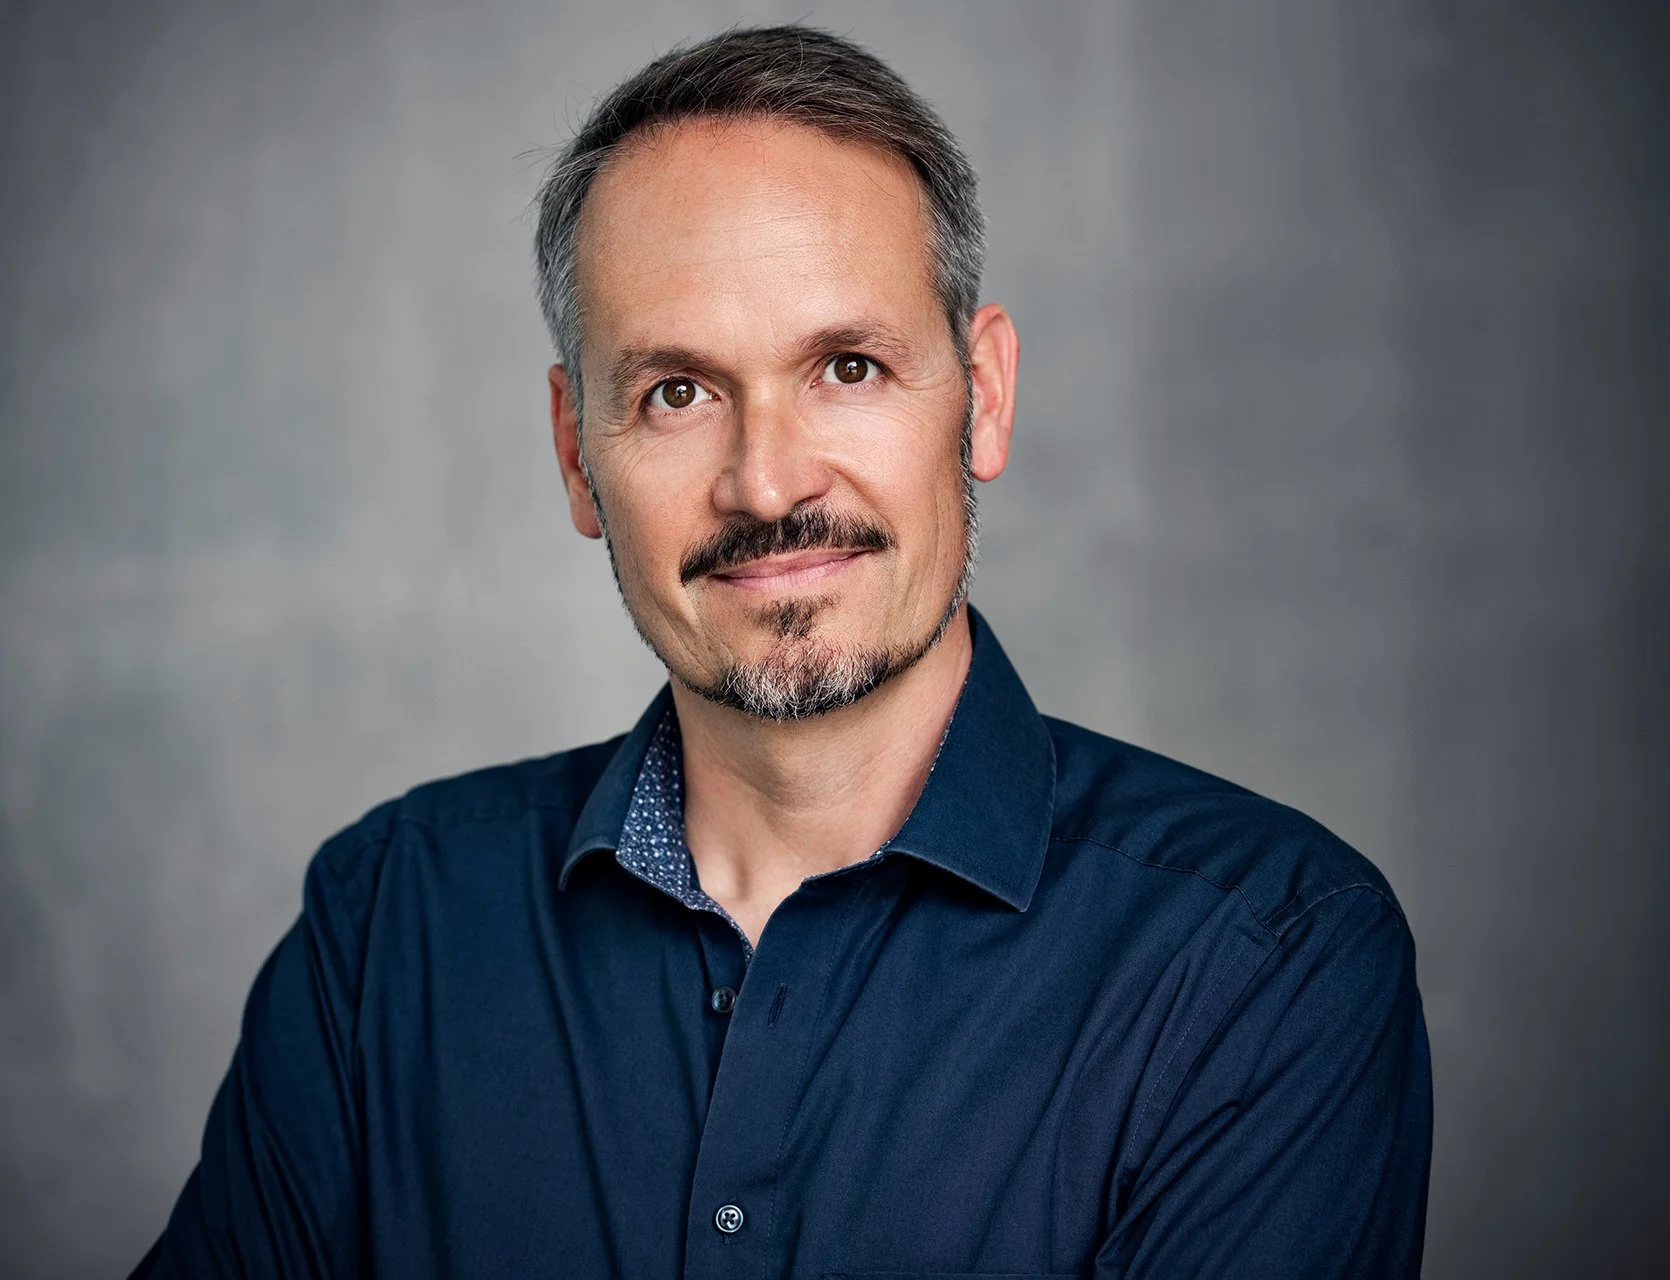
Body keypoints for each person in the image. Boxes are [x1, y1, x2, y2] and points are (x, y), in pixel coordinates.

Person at [132, 24, 1431, 1279]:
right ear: (577, 450)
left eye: (848, 367)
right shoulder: (388, 930)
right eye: (677, 393)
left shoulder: (1266, 961)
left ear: (983, 396)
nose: (766, 481)